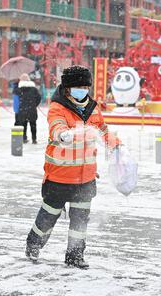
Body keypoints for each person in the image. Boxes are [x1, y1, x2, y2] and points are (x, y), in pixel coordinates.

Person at [25, 65, 122, 269]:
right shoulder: (58, 107)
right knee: (48, 217)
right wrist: (62, 134)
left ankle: (75, 256)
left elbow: (103, 129)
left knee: (80, 222)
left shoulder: (93, 108)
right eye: (78, 86)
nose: (82, 89)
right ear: (68, 88)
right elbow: (56, 125)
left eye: (85, 86)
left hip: (85, 178)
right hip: (59, 178)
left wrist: (115, 144)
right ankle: (34, 243)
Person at [14, 74, 42, 144]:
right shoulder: (34, 89)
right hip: (32, 110)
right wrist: (34, 105)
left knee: (24, 125)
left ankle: (24, 138)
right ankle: (34, 139)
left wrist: (16, 111)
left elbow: (16, 101)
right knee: (33, 125)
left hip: (22, 110)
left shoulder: (18, 90)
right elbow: (39, 98)